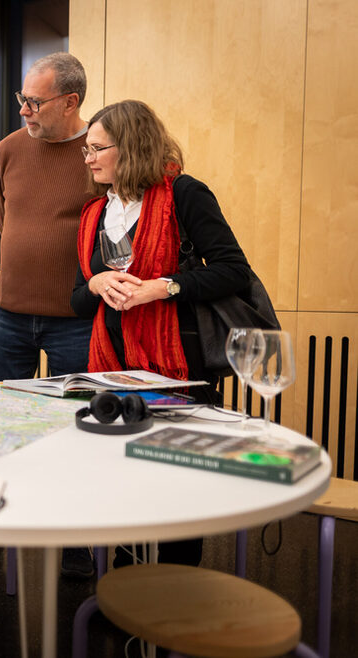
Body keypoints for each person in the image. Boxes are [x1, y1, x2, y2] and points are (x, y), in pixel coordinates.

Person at [70, 99, 253, 567]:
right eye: (86, 149)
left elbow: (233, 271)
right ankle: (126, 594)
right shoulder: (95, 213)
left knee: (174, 489)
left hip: (177, 367)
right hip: (111, 368)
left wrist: (163, 287)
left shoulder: (185, 194)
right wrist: (95, 283)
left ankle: (171, 601)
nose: (87, 158)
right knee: (122, 483)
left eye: (96, 148)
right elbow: (75, 300)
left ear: (129, 147)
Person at [0, 52, 95, 576]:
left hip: (76, 319)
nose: (24, 110)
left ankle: (71, 542)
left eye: (34, 102)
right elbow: (7, 221)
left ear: (70, 102)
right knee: (0, 429)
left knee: (73, 430)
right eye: (22, 99)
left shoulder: (98, 151)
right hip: (12, 316)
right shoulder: (7, 150)